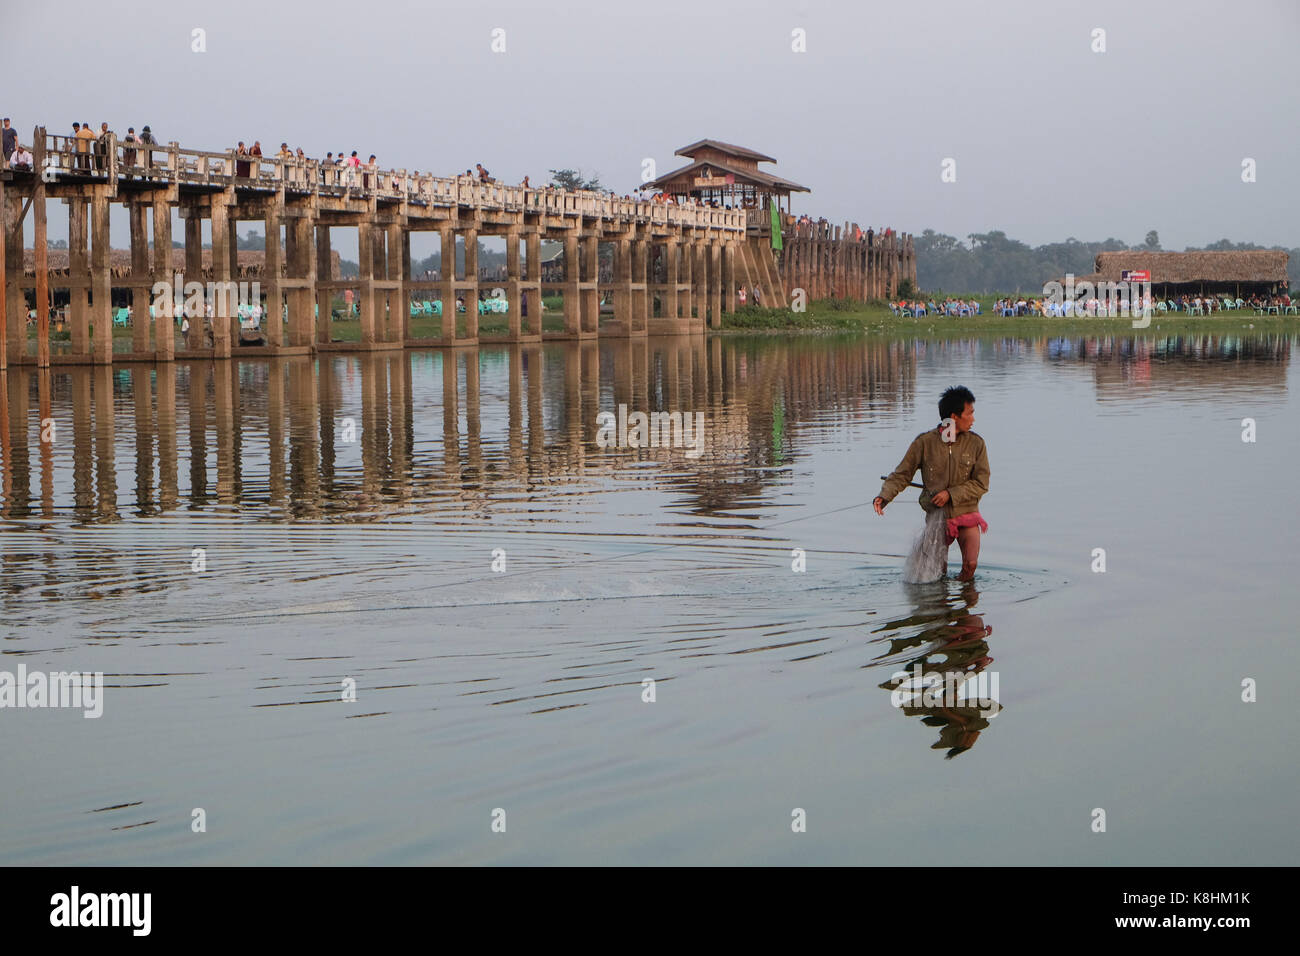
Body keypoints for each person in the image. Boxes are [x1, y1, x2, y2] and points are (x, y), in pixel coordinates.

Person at [874, 386, 990, 582]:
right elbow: (902, 474)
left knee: (970, 566)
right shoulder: (924, 443)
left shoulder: (976, 444)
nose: (973, 419)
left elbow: (981, 483)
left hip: (967, 513)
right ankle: (943, 606)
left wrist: (950, 494)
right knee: (937, 573)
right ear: (954, 416)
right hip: (938, 517)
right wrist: (884, 496)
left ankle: (965, 606)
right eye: (969, 414)